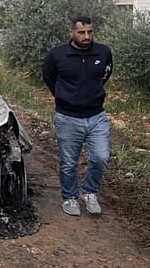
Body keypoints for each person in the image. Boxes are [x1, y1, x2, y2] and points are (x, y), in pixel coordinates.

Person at [42, 16, 113, 217]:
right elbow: (49, 77)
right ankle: (70, 197)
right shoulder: (57, 55)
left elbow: (105, 75)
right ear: (71, 32)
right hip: (67, 117)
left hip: (96, 115)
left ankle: (89, 193)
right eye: (82, 32)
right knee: (68, 162)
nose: (86, 36)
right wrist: (64, 96)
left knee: (101, 157)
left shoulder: (103, 52)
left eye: (90, 32)